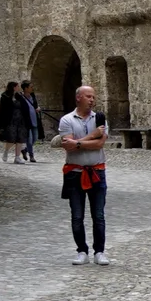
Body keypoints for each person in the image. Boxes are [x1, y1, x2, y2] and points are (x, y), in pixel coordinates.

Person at [56, 83, 111, 265]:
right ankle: (82, 251)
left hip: (97, 172)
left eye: (93, 97)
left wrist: (78, 143)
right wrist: (92, 136)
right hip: (75, 173)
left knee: (99, 215)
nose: (92, 100)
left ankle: (99, 251)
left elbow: (99, 144)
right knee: (77, 216)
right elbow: (68, 146)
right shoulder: (67, 120)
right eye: (88, 96)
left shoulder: (100, 119)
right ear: (78, 98)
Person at [0, 81, 23, 163]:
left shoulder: (19, 96)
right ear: (14, 87)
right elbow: (2, 110)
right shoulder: (5, 96)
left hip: (20, 120)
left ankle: (17, 157)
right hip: (10, 121)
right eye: (17, 86)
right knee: (11, 140)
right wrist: (2, 122)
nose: (19, 88)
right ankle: (6, 151)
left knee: (20, 139)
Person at [18, 80, 41, 163]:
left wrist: (37, 108)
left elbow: (35, 106)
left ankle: (25, 150)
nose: (32, 88)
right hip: (27, 122)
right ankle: (31, 156)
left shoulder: (32, 96)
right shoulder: (21, 98)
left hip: (34, 120)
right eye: (31, 87)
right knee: (29, 139)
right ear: (25, 88)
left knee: (35, 138)